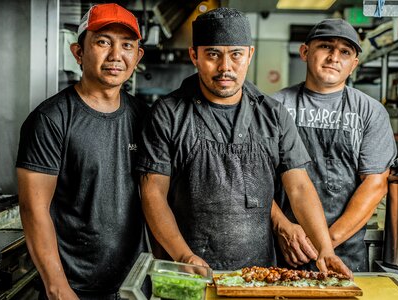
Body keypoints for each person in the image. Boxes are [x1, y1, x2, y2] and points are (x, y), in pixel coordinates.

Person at [137, 7, 351, 277]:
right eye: (213, 54)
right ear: (195, 55)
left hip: (258, 273)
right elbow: (152, 193)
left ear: (249, 55)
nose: (225, 67)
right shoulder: (168, 114)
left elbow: (299, 186)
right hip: (188, 272)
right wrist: (183, 255)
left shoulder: (273, 114)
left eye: (236, 54)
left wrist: (325, 250)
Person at [16, 3, 147, 299]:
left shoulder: (145, 118)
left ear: (137, 56)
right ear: (78, 52)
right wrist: (57, 288)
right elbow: (33, 209)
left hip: (133, 286)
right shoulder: (51, 120)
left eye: (127, 45)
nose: (116, 56)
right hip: (74, 289)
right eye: (103, 42)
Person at [272, 18, 397, 272]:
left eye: (345, 52)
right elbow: (253, 178)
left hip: (344, 253)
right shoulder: (274, 107)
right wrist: (282, 226)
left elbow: (375, 184)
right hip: (282, 247)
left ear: (353, 65)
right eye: (326, 47)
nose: (334, 57)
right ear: (305, 52)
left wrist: (325, 244)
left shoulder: (370, 112)